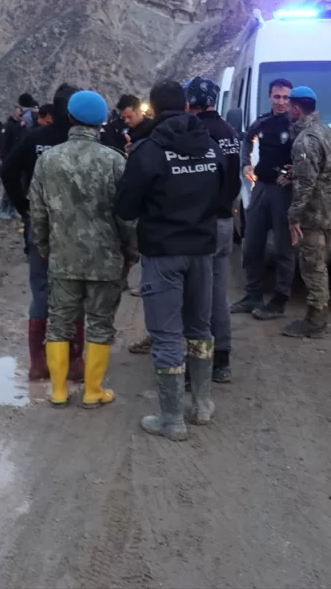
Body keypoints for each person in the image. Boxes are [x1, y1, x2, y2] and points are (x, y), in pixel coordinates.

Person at [115, 79, 224, 441]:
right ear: (188, 106)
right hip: (202, 251)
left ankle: (172, 419)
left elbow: (126, 207)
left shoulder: (149, 151)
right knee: (200, 328)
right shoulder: (210, 147)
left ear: (156, 110)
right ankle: (203, 405)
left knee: (166, 336)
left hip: (163, 253)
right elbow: (226, 200)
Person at [30, 91, 137, 408]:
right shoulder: (115, 160)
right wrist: (131, 251)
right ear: (102, 122)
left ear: (71, 118)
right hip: (105, 259)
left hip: (63, 257)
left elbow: (37, 211)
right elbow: (126, 215)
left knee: (59, 322)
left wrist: (45, 245)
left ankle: (59, 390)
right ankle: (93, 391)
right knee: (101, 323)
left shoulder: (47, 160)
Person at [2, 83, 86, 383]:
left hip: (40, 225)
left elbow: (8, 170)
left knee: (41, 290)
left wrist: (23, 205)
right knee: (74, 291)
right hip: (77, 229)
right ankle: (74, 361)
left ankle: (39, 362)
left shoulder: (35, 138)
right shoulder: (86, 142)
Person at [185, 77, 242, 383]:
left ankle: (197, 361)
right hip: (225, 220)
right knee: (219, 293)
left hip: (203, 223)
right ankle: (223, 359)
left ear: (191, 101)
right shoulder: (229, 131)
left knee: (196, 295)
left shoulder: (198, 131)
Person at [231, 78, 295, 320]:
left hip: (284, 192)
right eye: (277, 96)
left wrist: (292, 174)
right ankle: (253, 295)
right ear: (270, 97)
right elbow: (247, 139)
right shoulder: (262, 122)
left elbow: (308, 156)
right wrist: (246, 163)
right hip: (261, 188)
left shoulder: (296, 125)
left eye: (286, 97)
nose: (281, 102)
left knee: (283, 248)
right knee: (252, 244)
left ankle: (279, 300)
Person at [281, 86, 331, 339]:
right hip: (330, 212)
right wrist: (296, 170)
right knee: (319, 264)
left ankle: (316, 321)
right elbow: (327, 170)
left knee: (313, 268)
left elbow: (308, 184)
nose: (286, 110)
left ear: (297, 108)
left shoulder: (304, 140)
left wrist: (293, 215)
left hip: (313, 215)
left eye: (289, 106)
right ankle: (316, 316)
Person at [0, 104, 27, 220]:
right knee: (8, 186)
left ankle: (12, 209)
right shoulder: (8, 126)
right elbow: (4, 144)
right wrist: (5, 159)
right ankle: (3, 209)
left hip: (18, 160)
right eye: (18, 112)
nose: (19, 114)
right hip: (9, 160)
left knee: (17, 186)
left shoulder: (21, 127)